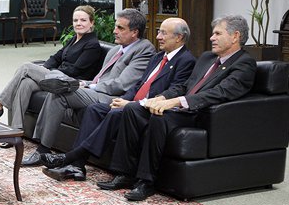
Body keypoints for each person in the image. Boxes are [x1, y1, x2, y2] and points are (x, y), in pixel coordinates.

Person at [105, 15, 257, 201]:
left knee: (159, 117)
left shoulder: (244, 64)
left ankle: (146, 182)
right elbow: (184, 85)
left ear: (235, 36)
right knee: (132, 109)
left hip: (199, 114)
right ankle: (125, 174)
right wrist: (161, 98)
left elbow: (219, 93)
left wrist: (175, 102)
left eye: (217, 33)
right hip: (179, 107)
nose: (211, 38)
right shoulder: (208, 58)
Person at [42, 17, 196, 181]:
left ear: (179, 37)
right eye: (159, 32)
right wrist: (122, 99)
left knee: (115, 114)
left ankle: (69, 158)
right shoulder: (158, 57)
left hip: (146, 109)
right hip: (129, 103)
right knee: (94, 109)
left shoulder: (186, 60)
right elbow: (138, 86)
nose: (158, 37)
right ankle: (77, 167)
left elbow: (173, 91)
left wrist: (131, 103)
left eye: (163, 33)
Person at [23, 8, 156, 166]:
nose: (114, 31)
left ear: (134, 32)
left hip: (112, 97)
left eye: (120, 28)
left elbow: (122, 84)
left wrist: (90, 87)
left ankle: (43, 150)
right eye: (115, 26)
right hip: (94, 89)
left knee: (56, 86)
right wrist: (86, 84)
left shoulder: (144, 49)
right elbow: (99, 77)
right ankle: (43, 149)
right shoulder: (115, 50)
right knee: (56, 91)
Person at [0, 5, 105, 129]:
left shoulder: (92, 44)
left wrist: (49, 71)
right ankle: (16, 130)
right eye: (75, 20)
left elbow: (75, 70)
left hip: (70, 82)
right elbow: (56, 57)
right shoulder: (74, 39)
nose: (78, 23)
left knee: (26, 67)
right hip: (57, 76)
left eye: (83, 20)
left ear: (91, 23)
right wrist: (45, 69)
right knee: (26, 83)